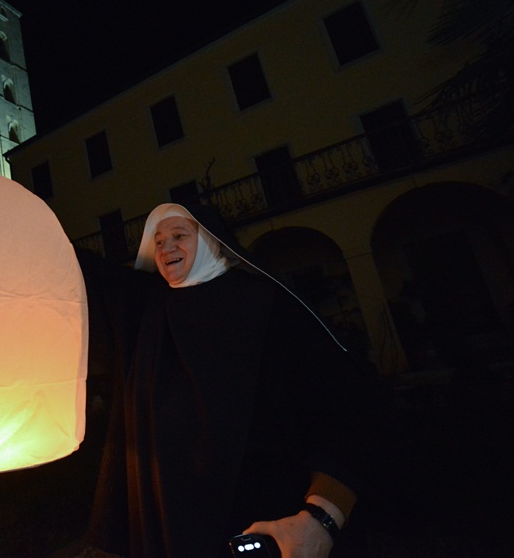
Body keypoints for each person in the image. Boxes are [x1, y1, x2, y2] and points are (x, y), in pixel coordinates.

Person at [77, 203, 390, 558]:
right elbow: (84, 276)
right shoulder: (145, 310)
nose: (166, 248)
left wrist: (322, 518)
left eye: (179, 236)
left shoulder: (268, 304)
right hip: (170, 525)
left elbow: (342, 410)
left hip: (264, 517)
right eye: (158, 241)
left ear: (212, 242)